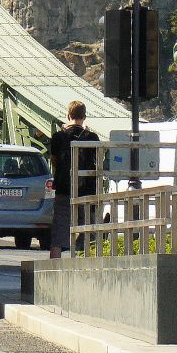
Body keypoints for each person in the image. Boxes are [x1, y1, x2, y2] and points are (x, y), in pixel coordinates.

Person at [48, 100, 100, 259]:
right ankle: (87, 265)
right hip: (87, 191)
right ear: (84, 116)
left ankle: (54, 268)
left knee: (59, 233)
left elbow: (54, 161)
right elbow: (98, 163)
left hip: (64, 189)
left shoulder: (57, 137)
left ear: (68, 115)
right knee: (88, 230)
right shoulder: (92, 137)